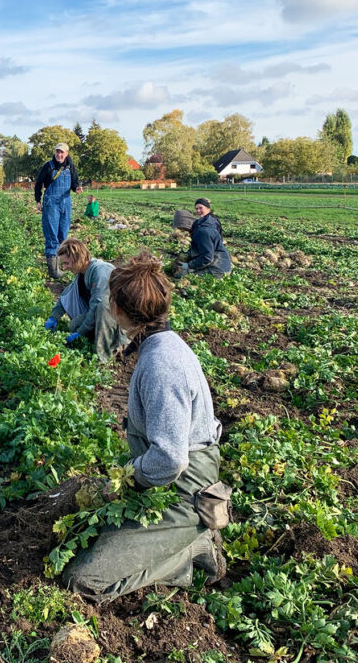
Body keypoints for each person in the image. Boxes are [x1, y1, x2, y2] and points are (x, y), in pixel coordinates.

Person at [61, 252, 227, 602]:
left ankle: (191, 552)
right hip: (168, 481)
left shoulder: (162, 365)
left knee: (83, 579)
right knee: (101, 534)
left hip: (183, 490)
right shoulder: (161, 345)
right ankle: (183, 538)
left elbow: (169, 459)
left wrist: (128, 478)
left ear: (119, 310)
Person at [43, 239, 127, 363]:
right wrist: (54, 317)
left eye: (66, 263)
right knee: (74, 325)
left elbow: (99, 305)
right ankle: (97, 339)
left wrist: (80, 332)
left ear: (77, 258)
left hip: (120, 320)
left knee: (101, 306)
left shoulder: (100, 271)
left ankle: (108, 353)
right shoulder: (83, 272)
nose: (64, 268)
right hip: (102, 314)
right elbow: (68, 294)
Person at [34, 142, 81, 278]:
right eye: (57, 152)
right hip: (51, 204)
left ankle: (62, 266)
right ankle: (54, 272)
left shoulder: (69, 166)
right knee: (52, 236)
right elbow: (38, 184)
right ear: (55, 153)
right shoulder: (48, 166)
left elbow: (74, 182)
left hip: (65, 203)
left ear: (66, 154)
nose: (59, 155)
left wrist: (76, 188)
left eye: (62, 152)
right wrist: (38, 200)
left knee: (63, 236)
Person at [176, 198, 231, 277]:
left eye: (200, 208)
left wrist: (189, 265)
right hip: (215, 259)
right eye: (196, 208)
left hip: (218, 267)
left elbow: (207, 257)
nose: (198, 210)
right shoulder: (201, 224)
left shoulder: (203, 231)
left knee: (188, 278)